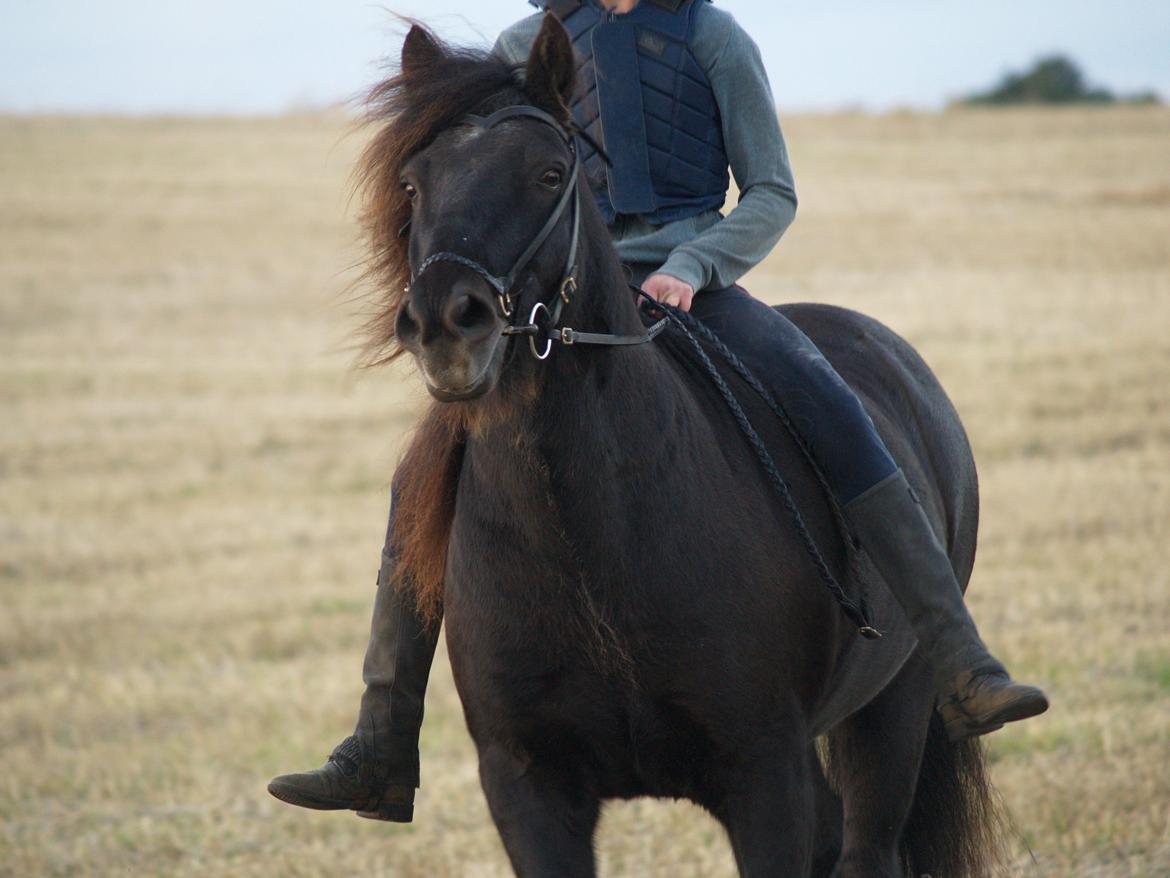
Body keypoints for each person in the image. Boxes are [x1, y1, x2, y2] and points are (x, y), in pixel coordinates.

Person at [267, 0, 1048, 823]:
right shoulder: (522, 46)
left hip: (693, 287)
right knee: (420, 475)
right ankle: (382, 740)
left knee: (834, 405)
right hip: (554, 297)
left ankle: (959, 662)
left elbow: (771, 192)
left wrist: (693, 263)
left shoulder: (712, 38)